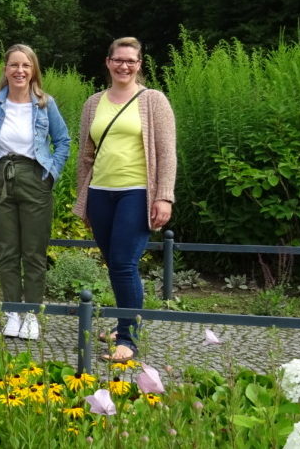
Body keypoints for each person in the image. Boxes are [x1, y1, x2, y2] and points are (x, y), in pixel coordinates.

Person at [73, 36, 176, 362]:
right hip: (101, 192)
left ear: (139, 64)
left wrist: (164, 196)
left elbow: (167, 153)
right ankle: (124, 323)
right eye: (118, 59)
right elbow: (85, 156)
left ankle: (128, 340)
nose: (124, 65)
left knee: (123, 262)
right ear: (108, 62)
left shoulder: (153, 101)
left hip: (137, 191)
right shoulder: (93, 103)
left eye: (131, 60)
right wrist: (83, 196)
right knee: (115, 263)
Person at [0, 45, 71, 340]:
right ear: (5, 69)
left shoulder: (44, 103)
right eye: (14, 65)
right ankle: (13, 312)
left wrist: (51, 172)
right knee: (6, 249)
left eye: (25, 65)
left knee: (34, 251)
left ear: (33, 70)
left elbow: (63, 140)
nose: (19, 71)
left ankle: (32, 315)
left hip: (34, 178)